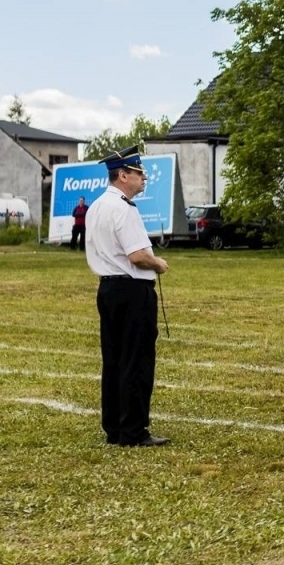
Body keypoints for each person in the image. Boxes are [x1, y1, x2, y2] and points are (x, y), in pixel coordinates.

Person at [84, 146, 169, 447]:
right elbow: (137, 255)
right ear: (123, 175)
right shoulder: (124, 208)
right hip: (132, 291)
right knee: (137, 360)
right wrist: (159, 264)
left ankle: (115, 428)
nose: (143, 179)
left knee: (114, 360)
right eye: (138, 173)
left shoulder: (96, 207)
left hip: (107, 288)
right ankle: (133, 431)